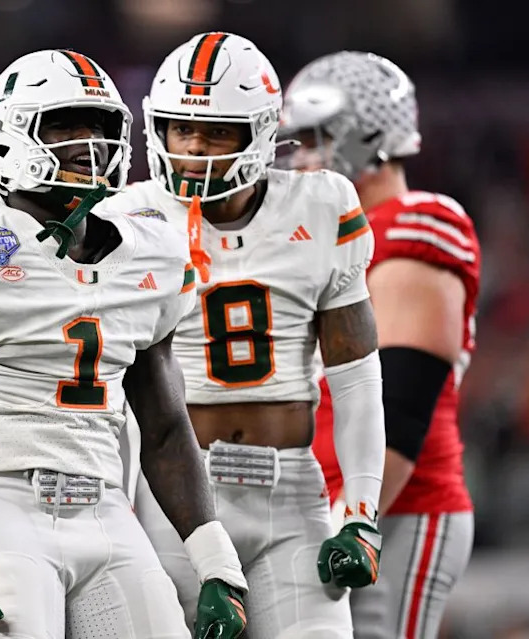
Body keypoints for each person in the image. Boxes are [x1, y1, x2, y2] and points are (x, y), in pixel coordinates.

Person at [0, 49, 250, 639]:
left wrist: (217, 564)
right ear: (7, 134)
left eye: (99, 126)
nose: (88, 143)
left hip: (107, 507)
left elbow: (164, 424)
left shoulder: (151, 253)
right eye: (63, 124)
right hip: (1, 505)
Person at [94, 32, 386, 639]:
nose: (194, 148)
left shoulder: (323, 203)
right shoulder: (124, 217)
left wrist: (359, 513)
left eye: (216, 133)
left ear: (258, 134)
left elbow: (356, 377)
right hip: (173, 501)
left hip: (291, 494)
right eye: (180, 129)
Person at [281, 51, 481, 639]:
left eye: (317, 136)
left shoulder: (417, 223)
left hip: (395, 509)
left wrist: (349, 527)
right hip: (316, 504)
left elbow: (400, 410)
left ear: (370, 134)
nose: (303, 155)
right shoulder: (316, 239)